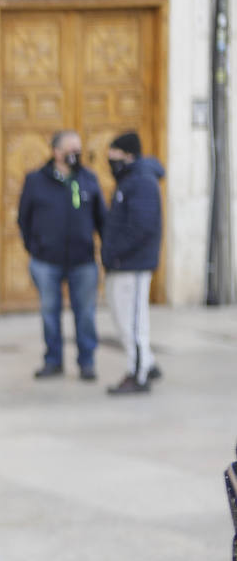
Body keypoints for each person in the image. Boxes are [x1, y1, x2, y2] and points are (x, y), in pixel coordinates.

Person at [16, 129, 106, 380]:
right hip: (46, 260)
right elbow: (24, 219)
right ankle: (53, 360)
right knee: (49, 313)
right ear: (56, 152)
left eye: (78, 148)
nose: (75, 154)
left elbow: (102, 220)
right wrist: (34, 248)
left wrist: (104, 251)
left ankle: (87, 362)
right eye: (70, 149)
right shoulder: (35, 181)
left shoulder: (88, 179)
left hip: (83, 261)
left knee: (86, 314)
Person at [101, 130, 164, 395]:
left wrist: (116, 253)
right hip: (121, 264)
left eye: (114, 156)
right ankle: (146, 363)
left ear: (128, 155)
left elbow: (141, 226)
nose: (110, 161)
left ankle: (138, 375)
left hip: (133, 265)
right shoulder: (128, 179)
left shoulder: (141, 181)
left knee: (134, 321)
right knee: (122, 317)